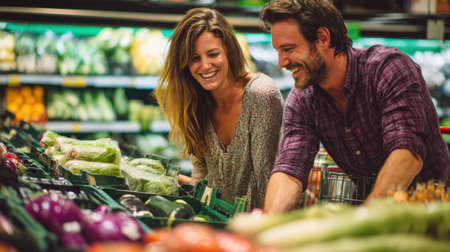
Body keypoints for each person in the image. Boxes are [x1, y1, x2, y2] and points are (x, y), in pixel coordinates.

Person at [260, 0, 450, 213]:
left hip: (435, 211)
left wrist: (366, 217)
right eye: (278, 50)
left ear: (323, 38)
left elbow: (407, 152)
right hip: (373, 212)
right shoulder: (303, 100)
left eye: (288, 49)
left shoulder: (387, 69)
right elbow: (290, 167)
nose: (281, 62)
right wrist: (267, 223)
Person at [155, 7, 284, 209]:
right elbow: (202, 181)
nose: (205, 65)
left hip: (259, 227)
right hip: (215, 225)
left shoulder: (261, 95)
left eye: (213, 54)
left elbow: (267, 184)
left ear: (229, 52)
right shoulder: (195, 104)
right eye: (194, 58)